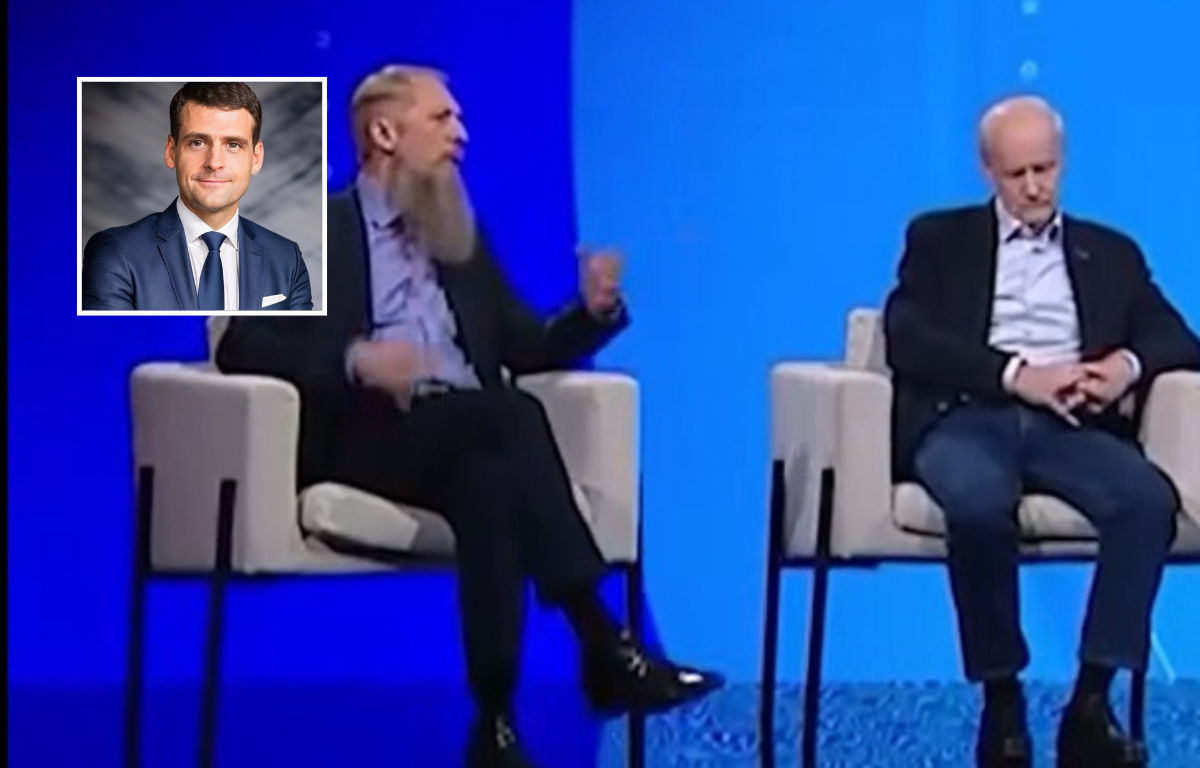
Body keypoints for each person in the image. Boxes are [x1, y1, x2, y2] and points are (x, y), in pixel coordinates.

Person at [214, 65, 722, 767]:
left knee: (489, 478)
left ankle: (495, 727)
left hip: (465, 432)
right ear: (384, 133)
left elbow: (526, 347)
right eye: (442, 119)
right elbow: (242, 342)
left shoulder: (456, 238)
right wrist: (356, 360)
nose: (462, 134)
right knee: (509, 416)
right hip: (368, 434)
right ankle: (601, 641)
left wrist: (592, 313)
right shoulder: (314, 231)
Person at [883, 95, 1200, 768]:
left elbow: (1177, 336)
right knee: (977, 504)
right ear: (988, 171)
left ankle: (1090, 704)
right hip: (969, 415)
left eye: (1045, 170)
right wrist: (1015, 374)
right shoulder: (939, 240)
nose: (1033, 187)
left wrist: (1122, 367)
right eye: (1017, 173)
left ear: (1063, 164)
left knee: (1147, 501)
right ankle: (1002, 702)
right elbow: (906, 336)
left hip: (1070, 424)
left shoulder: (1110, 252)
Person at [82, 82, 313, 311]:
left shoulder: (287, 259)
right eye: (197, 143)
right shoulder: (116, 253)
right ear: (171, 152)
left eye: (233, 145)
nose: (214, 162)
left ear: (256, 158)